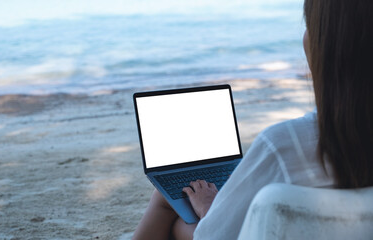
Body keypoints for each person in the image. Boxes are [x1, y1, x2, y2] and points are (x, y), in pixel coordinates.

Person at [132, 0, 373, 239]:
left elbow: (211, 235)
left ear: (319, 46)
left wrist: (209, 208)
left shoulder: (283, 146)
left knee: (166, 204)